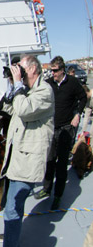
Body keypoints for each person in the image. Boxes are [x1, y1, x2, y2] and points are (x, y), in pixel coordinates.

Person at [0, 54, 54, 246]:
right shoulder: (25, 91)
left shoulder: (44, 91)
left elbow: (23, 110)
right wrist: (12, 87)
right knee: (12, 207)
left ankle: (10, 243)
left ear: (32, 69)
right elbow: (9, 110)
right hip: (15, 160)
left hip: (27, 162)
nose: (17, 72)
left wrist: (19, 85)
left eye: (20, 68)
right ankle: (11, 233)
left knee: (12, 208)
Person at [35, 56, 87, 210]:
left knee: (61, 164)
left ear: (62, 69)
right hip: (51, 128)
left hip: (65, 129)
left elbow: (83, 98)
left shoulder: (72, 83)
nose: (53, 73)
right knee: (49, 161)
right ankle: (46, 189)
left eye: (55, 70)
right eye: (51, 70)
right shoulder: (49, 84)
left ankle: (58, 196)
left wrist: (77, 114)